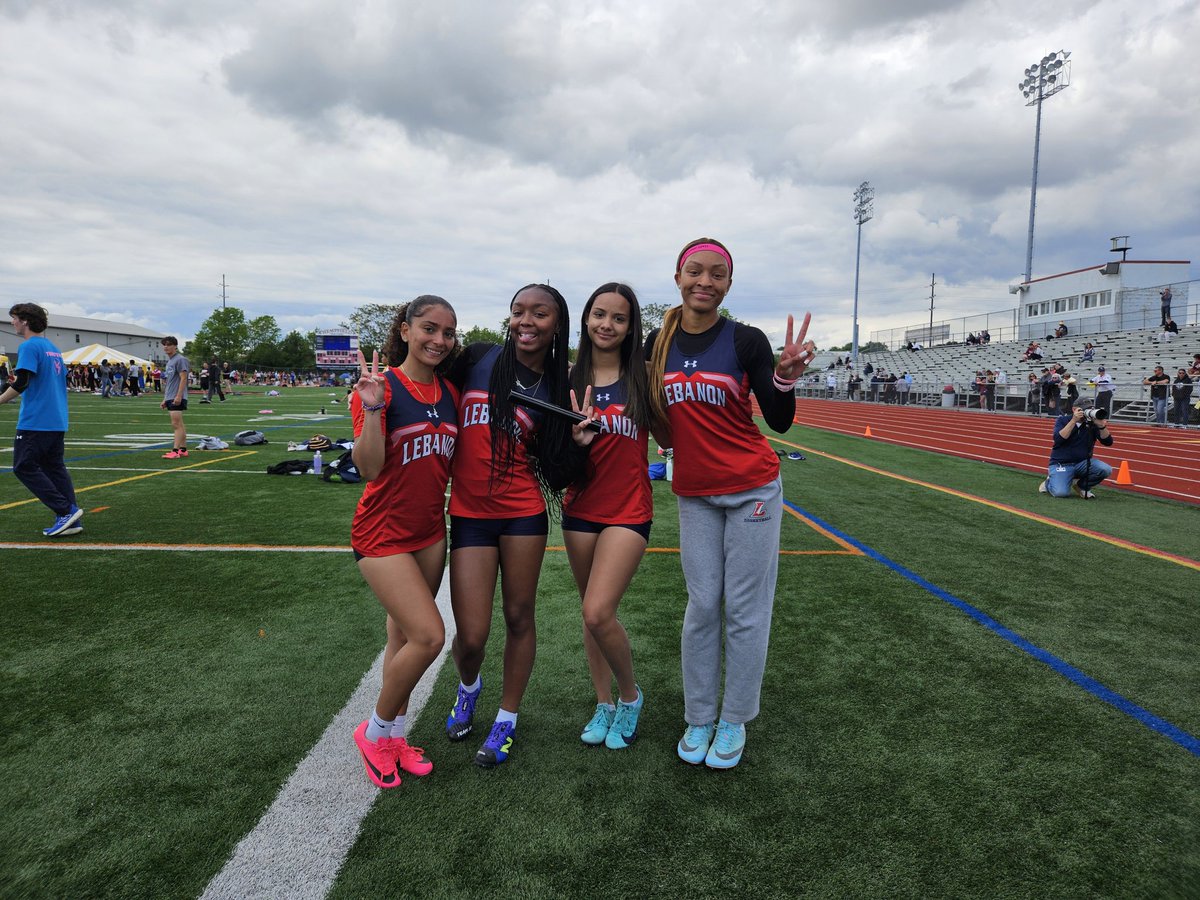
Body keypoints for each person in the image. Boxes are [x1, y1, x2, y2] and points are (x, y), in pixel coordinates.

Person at [646, 237, 815, 771]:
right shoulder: (657, 340)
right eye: (695, 271)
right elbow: (649, 409)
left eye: (717, 274)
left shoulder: (745, 340)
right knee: (702, 607)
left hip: (752, 489)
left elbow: (779, 419)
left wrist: (785, 375)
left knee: (744, 610)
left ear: (728, 284)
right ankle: (699, 715)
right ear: (677, 277)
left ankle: (734, 716)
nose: (705, 281)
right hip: (695, 493)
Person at [441, 284, 583, 767]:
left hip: (523, 512)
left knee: (520, 616)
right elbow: (432, 396)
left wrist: (578, 442)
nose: (526, 321)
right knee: (472, 634)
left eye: (539, 314)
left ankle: (507, 719)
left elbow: (559, 472)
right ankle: (469, 687)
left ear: (556, 324)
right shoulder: (478, 358)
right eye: (518, 311)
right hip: (469, 515)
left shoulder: (559, 386)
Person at [348, 296, 460, 790]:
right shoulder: (380, 387)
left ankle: (393, 738)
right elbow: (369, 468)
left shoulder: (451, 392)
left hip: (430, 533)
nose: (438, 340)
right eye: (429, 329)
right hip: (381, 534)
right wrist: (373, 409)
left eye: (448, 333)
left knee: (401, 638)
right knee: (430, 637)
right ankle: (373, 733)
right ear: (406, 330)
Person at [562, 283, 656, 750]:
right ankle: (603, 704)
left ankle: (630, 696)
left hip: (628, 509)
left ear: (630, 326)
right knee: (590, 613)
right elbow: (554, 456)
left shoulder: (645, 376)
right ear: (585, 319)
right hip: (580, 509)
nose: (607, 324)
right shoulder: (567, 379)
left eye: (618, 318)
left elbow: (678, 430)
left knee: (600, 611)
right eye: (599, 314)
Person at [0, 303, 83, 537]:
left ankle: (65, 510)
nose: (12, 323)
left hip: (36, 420)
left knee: (24, 466)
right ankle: (71, 519)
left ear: (25, 320)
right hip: (56, 419)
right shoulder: (52, 347)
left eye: (14, 318)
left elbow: (22, 382)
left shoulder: (29, 346)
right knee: (54, 467)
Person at [1039, 399, 1114, 499]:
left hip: (1082, 463)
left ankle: (1081, 486)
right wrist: (1073, 421)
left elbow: (1108, 442)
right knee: (1061, 493)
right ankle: (1050, 482)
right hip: (1062, 464)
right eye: (1083, 410)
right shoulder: (1063, 420)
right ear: (1074, 409)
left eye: (1089, 409)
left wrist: (1101, 426)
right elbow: (1059, 439)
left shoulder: (1092, 424)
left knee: (1105, 469)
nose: (1086, 413)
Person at [160, 337, 190, 458]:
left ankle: (175, 451)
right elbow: (171, 381)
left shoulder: (180, 359)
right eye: (164, 345)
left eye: (168, 344)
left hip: (177, 396)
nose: (165, 347)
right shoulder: (170, 361)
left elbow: (183, 378)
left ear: (175, 346)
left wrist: (178, 396)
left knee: (176, 424)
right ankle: (183, 449)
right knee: (180, 424)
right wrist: (165, 398)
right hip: (171, 396)